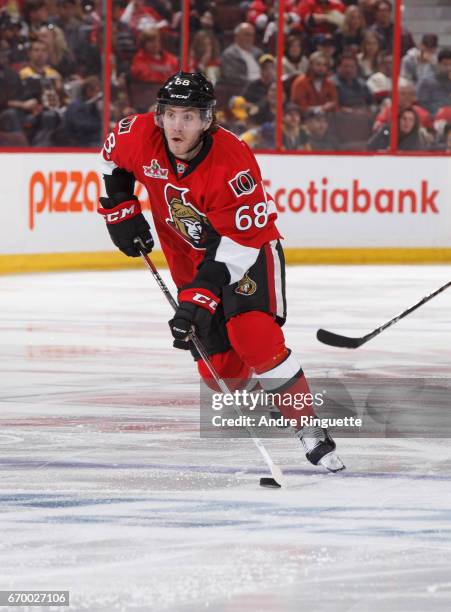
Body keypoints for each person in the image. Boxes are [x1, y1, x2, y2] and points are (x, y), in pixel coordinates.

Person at [98, 71, 345, 472]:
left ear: (208, 120)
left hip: (247, 251)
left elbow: (239, 242)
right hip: (190, 262)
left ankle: (309, 427)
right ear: (159, 115)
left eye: (190, 117)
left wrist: (201, 298)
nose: (177, 126)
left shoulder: (232, 161)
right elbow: (111, 160)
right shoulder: (137, 134)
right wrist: (120, 207)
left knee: (255, 337)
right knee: (222, 378)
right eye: (171, 114)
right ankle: (276, 393)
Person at [218, 23, 262, 90]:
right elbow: (231, 77)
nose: (250, 38)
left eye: (252, 35)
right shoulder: (229, 55)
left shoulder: (258, 52)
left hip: (262, 87)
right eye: (247, 35)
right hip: (243, 89)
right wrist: (254, 83)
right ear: (236, 36)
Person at [416, 48, 451, 116]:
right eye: (445, 64)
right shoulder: (426, 81)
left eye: (450, 65)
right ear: (438, 64)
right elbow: (422, 104)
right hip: (433, 117)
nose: (448, 68)